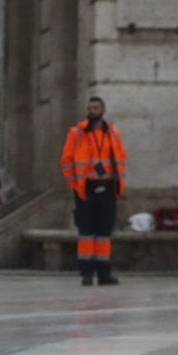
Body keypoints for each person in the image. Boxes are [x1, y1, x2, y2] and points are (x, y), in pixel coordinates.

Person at [61, 97, 126, 286]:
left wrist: (118, 183)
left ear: (103, 110)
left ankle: (104, 273)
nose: (92, 111)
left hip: (107, 187)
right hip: (86, 189)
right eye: (89, 108)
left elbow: (121, 158)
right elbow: (66, 161)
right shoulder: (77, 132)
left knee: (104, 233)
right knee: (87, 232)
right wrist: (76, 185)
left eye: (95, 108)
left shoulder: (112, 132)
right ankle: (87, 274)